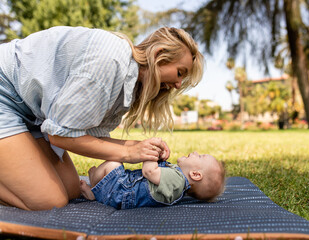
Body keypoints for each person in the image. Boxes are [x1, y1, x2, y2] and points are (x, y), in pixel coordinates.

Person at [0, 26, 204, 210]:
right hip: (5, 94)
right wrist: (129, 152)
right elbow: (60, 136)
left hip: (28, 113)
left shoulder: (126, 83)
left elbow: (87, 135)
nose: (178, 85)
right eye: (180, 73)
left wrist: (141, 146)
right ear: (159, 55)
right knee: (49, 201)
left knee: (71, 189)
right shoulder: (109, 62)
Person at [80, 152, 225, 209]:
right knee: (113, 166)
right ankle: (96, 193)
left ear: (195, 174)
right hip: (123, 193)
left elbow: (149, 172)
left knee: (113, 163)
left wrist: (150, 154)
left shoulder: (176, 179)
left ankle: (95, 184)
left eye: (200, 157)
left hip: (122, 192)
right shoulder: (176, 185)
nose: (195, 153)